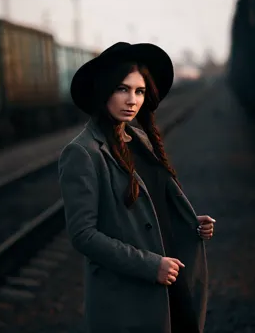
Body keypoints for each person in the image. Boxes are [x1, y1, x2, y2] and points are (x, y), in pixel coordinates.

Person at [58, 42, 216, 333]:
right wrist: (149, 266)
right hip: (130, 295)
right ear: (103, 90)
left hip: (168, 281)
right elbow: (83, 235)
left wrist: (190, 225)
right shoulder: (83, 152)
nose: (132, 100)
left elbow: (150, 209)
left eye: (139, 91)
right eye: (122, 89)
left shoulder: (139, 139)